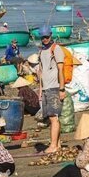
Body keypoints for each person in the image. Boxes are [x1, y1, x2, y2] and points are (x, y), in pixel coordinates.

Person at [37, 26, 65, 154]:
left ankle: (53, 145)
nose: (45, 39)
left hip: (54, 87)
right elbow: (41, 72)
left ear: (51, 35)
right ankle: (57, 144)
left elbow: (61, 69)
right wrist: (40, 90)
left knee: (54, 117)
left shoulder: (56, 49)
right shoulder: (42, 51)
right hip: (45, 88)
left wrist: (62, 88)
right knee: (51, 117)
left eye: (47, 37)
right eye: (43, 37)